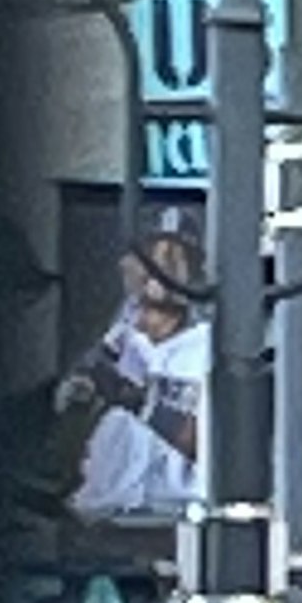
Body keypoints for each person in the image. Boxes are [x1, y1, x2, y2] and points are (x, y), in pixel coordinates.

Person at [60, 208, 207, 534]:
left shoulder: (210, 350)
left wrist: (134, 397)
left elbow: (216, 447)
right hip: (97, 521)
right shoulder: (114, 342)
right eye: (153, 251)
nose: (162, 264)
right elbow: (62, 438)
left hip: (178, 525)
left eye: (177, 253)